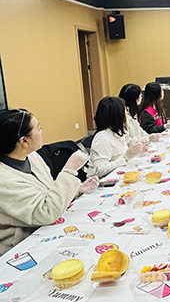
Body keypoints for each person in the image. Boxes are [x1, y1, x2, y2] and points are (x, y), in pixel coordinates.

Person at [0, 109, 98, 255]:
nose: (42, 132)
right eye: (38, 128)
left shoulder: (32, 156)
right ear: (24, 141)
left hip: (48, 229)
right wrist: (69, 170)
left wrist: (76, 190)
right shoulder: (4, 180)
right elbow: (46, 212)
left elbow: (48, 193)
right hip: (21, 248)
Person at [88, 97, 147, 179]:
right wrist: (126, 158)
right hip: (105, 182)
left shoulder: (116, 132)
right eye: (125, 110)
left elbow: (119, 156)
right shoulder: (102, 138)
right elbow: (99, 170)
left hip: (118, 175)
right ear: (118, 115)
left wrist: (136, 152)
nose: (127, 113)